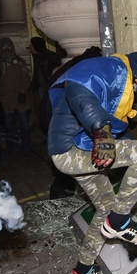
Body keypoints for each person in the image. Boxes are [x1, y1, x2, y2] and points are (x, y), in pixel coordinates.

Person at [48, 51, 137, 274]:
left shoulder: (114, 78)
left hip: (73, 151)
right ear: (136, 72)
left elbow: (112, 127)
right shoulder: (114, 69)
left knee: (105, 209)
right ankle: (119, 221)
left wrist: (118, 141)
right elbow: (77, 89)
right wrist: (102, 132)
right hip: (71, 151)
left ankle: (81, 272)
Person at [38, 46, 102, 198]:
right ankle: (61, 200)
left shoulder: (71, 67)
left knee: (67, 169)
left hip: (52, 118)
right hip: (58, 122)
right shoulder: (80, 76)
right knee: (68, 170)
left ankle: (62, 195)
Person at [0, 37, 33, 155]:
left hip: (20, 99)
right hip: (6, 100)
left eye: (8, 46)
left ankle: (27, 147)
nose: (6, 48)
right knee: (8, 126)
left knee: (25, 126)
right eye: (3, 46)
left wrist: (23, 92)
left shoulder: (20, 61)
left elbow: (26, 78)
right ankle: (10, 147)